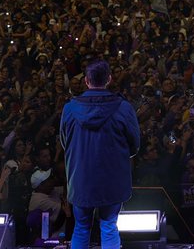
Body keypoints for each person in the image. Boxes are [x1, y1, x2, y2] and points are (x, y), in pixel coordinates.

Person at [60, 59, 141, 249]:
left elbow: (65, 142)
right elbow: (134, 145)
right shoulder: (123, 107)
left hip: (80, 177)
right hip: (112, 178)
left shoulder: (70, 108)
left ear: (86, 81)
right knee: (109, 226)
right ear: (109, 79)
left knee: (81, 227)